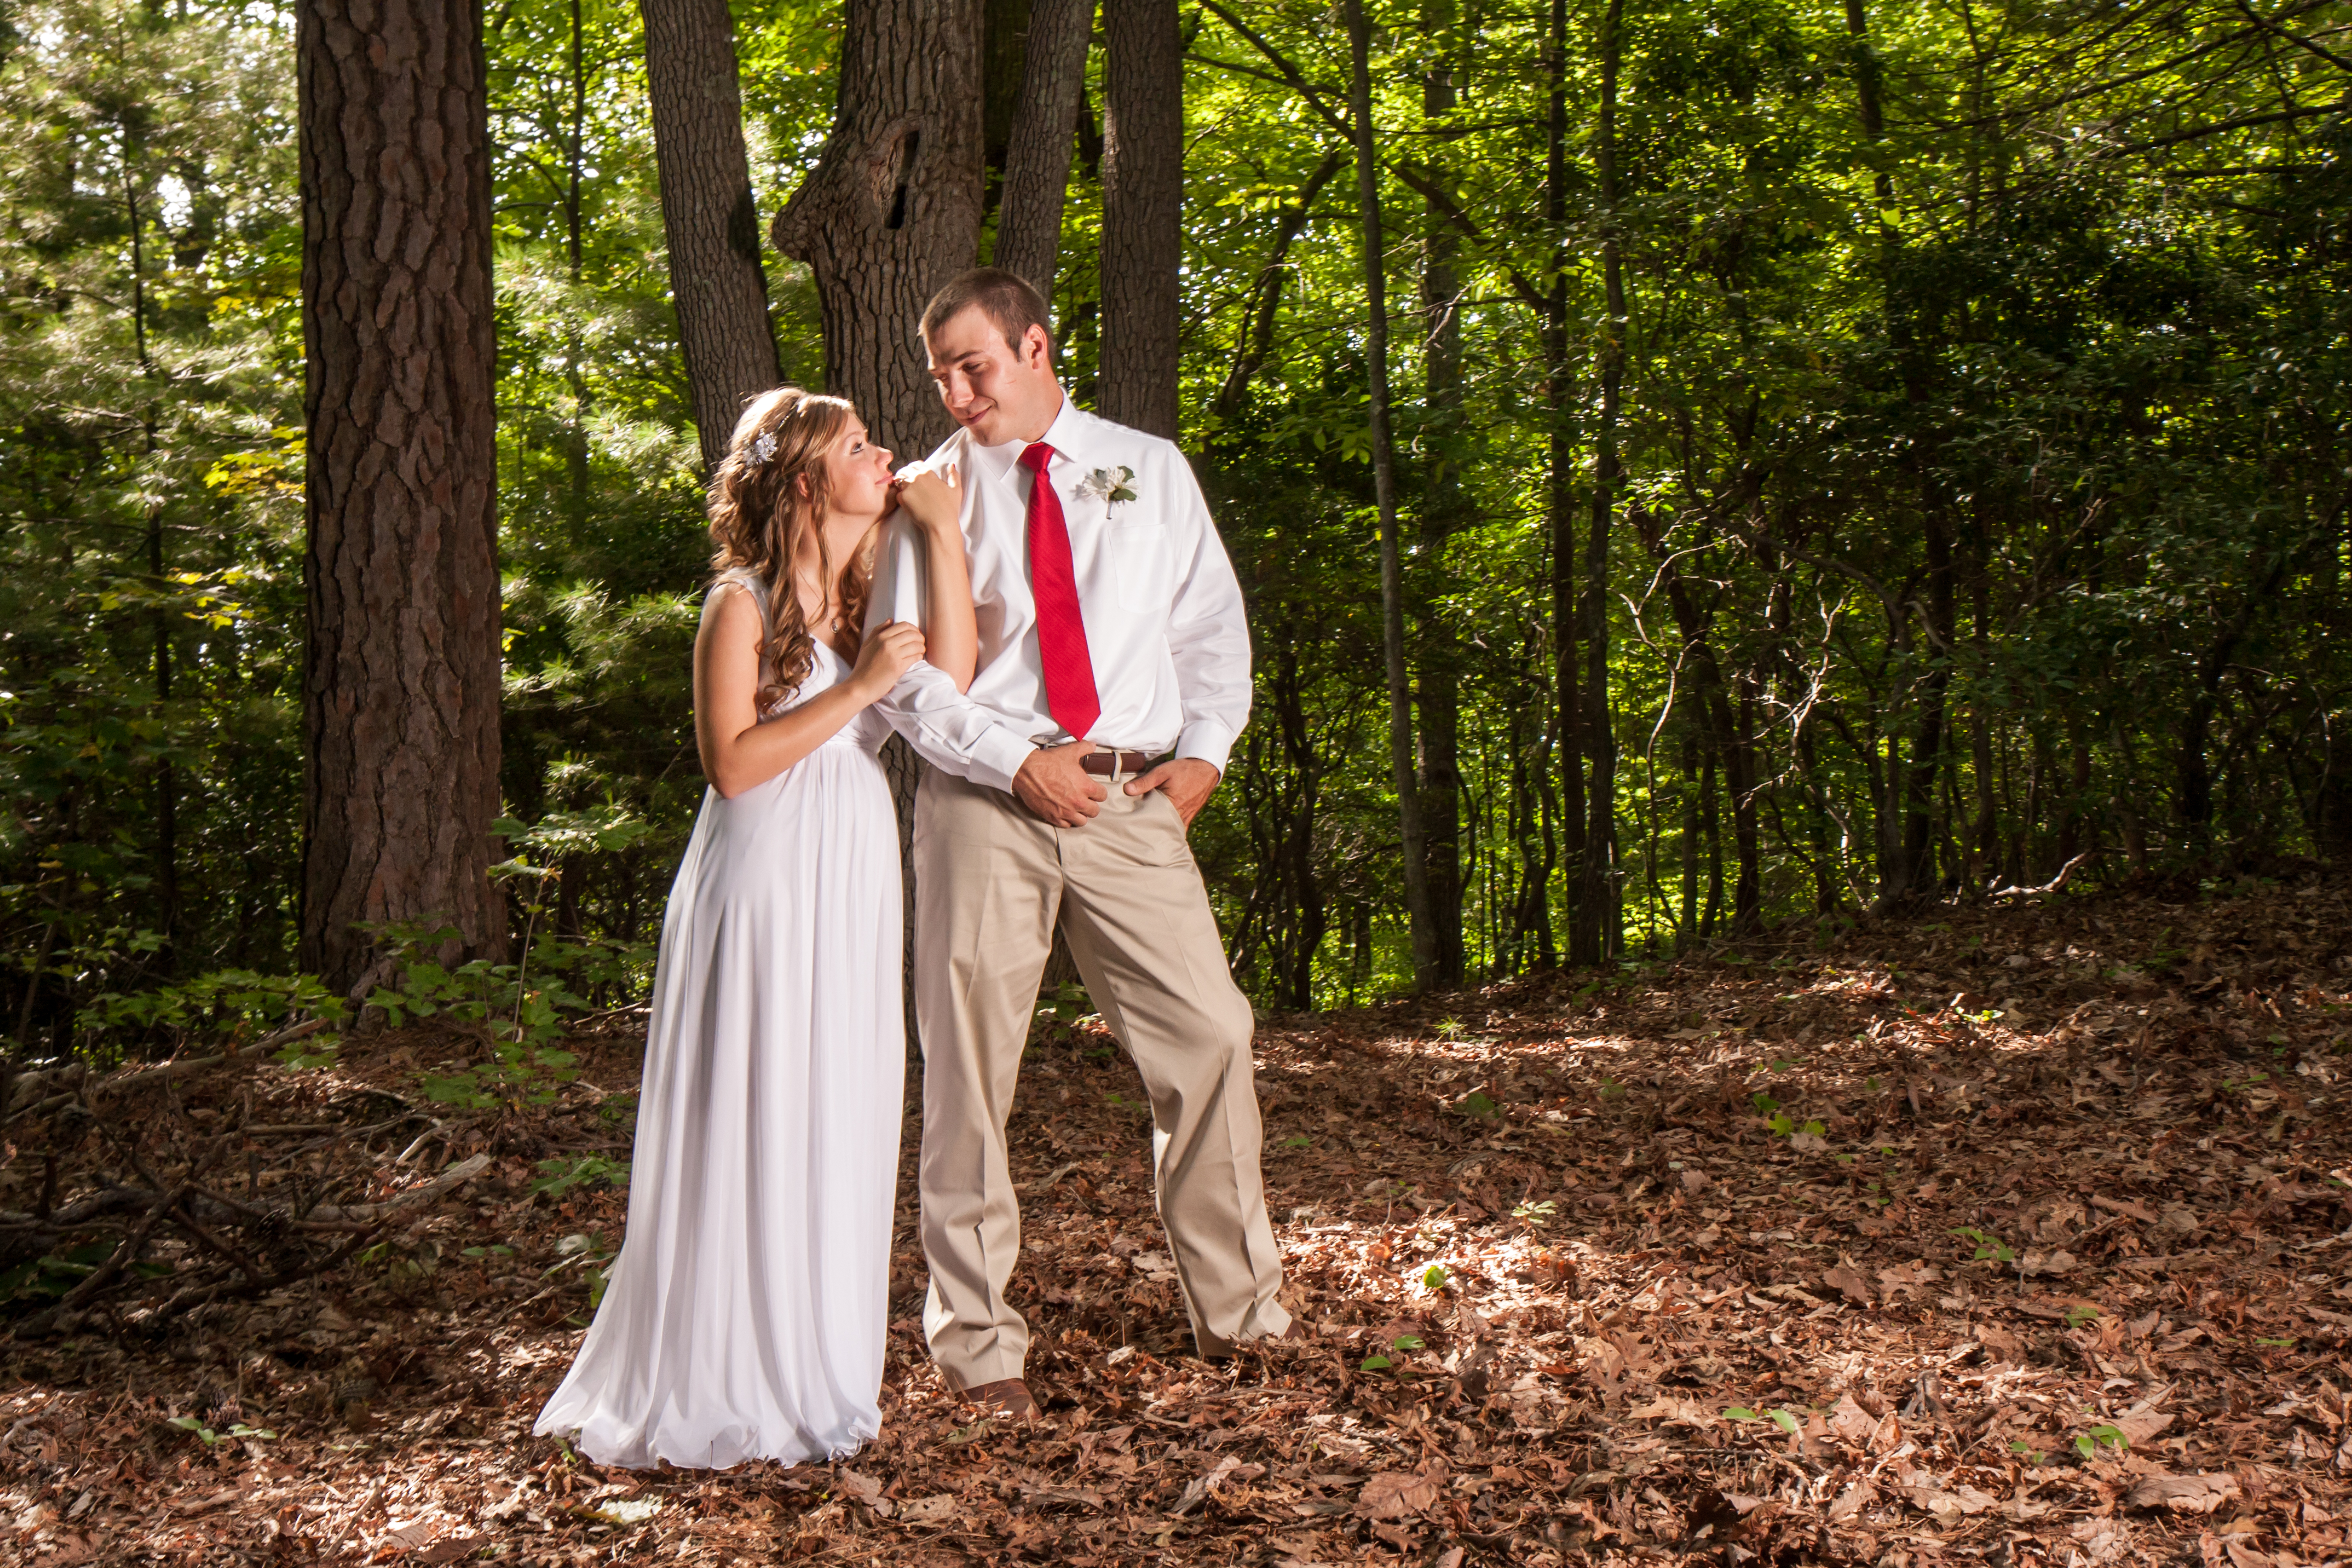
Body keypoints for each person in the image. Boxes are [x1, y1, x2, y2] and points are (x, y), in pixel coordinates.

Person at [868, 268, 1294, 1420]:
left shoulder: (1146, 469)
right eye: (941, 375)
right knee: (967, 1072)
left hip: (1126, 800)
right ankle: (977, 1347)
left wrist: (1203, 755)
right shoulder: (927, 494)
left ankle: (1242, 1315)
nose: (957, 395)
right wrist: (1013, 761)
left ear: (1038, 345)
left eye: (976, 367)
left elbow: (1211, 628)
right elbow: (899, 677)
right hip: (980, 800)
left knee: (1211, 1037)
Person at [533, 387, 973, 1468]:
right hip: (768, 872)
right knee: (760, 1095)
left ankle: (816, 1373)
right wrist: (862, 686)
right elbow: (733, 764)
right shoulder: (741, 603)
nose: (885, 457)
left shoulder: (867, 601)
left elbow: (952, 688)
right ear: (812, 483)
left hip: (853, 875)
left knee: (841, 1101)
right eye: (861, 447)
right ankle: (724, 1374)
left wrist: (945, 537)